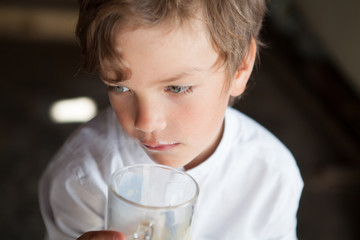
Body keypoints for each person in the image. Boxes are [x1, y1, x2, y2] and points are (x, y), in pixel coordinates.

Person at [39, 0, 304, 239]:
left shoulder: (271, 177)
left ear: (240, 67)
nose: (146, 122)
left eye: (176, 88)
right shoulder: (86, 177)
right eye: (120, 88)